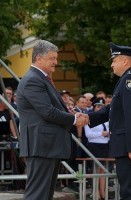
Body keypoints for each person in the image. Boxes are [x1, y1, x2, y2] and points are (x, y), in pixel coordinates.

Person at [16, 40, 87, 200]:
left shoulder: (41, 78)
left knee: (45, 194)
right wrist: (74, 118)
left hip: (47, 146)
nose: (56, 62)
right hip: (41, 145)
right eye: (52, 58)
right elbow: (47, 111)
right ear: (39, 58)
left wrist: (71, 114)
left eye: (56, 58)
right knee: (37, 194)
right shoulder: (33, 79)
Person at [87, 42, 131, 200]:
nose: (111, 65)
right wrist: (89, 117)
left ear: (125, 61)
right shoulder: (128, 79)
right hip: (127, 146)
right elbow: (113, 109)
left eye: (114, 60)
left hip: (130, 148)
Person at [84, 97, 109, 200]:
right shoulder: (89, 117)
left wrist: (107, 134)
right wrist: (101, 133)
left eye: (102, 106)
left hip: (105, 145)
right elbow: (88, 134)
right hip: (94, 146)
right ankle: (96, 193)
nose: (99, 108)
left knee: (103, 170)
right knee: (96, 170)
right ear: (94, 107)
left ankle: (103, 193)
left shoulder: (107, 119)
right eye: (98, 106)